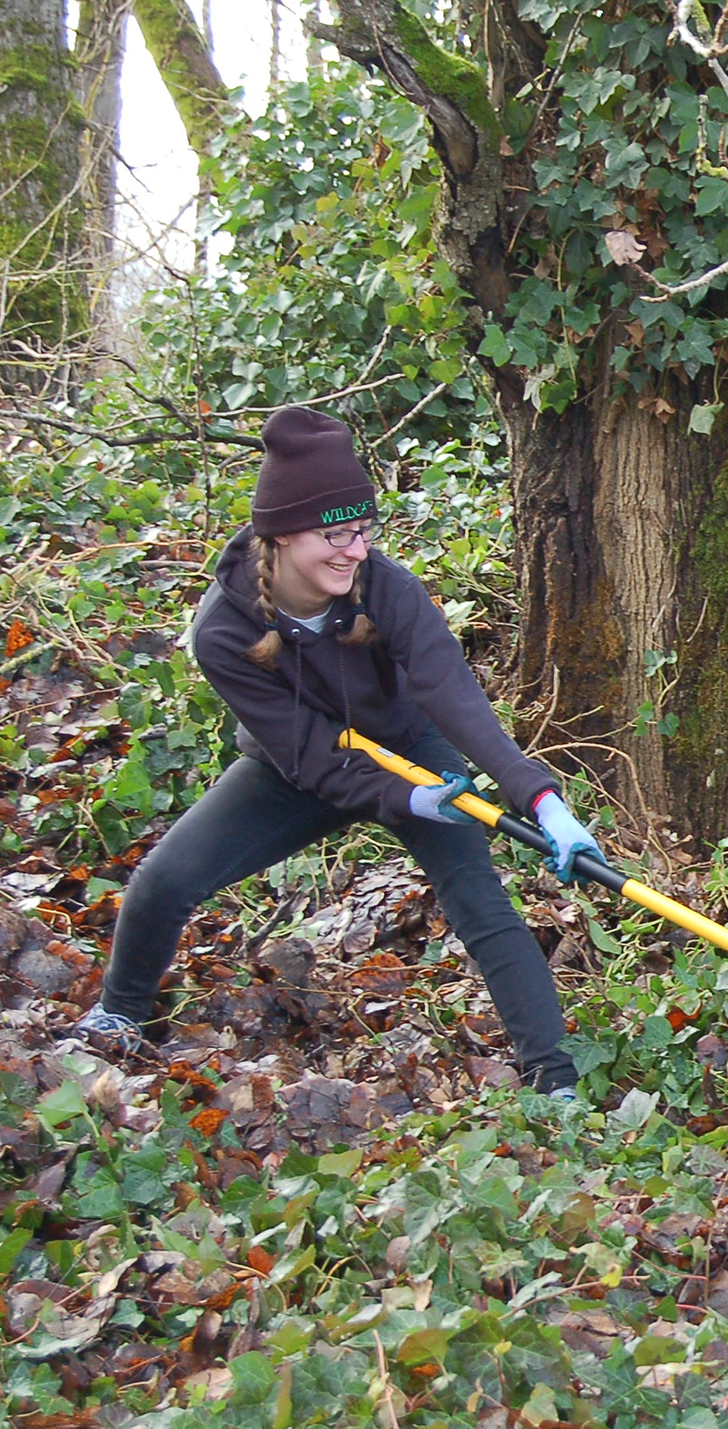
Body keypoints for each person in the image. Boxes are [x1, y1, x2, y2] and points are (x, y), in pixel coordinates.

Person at [74, 405, 598, 1099]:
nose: (355, 551)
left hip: (410, 748)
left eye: (363, 531)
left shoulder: (386, 589)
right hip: (292, 770)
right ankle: (119, 1016)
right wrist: (400, 798)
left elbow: (454, 697)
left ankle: (554, 1084)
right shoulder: (225, 629)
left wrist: (539, 798)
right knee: (162, 882)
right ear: (283, 535)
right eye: (336, 534)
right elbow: (311, 757)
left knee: (480, 901)